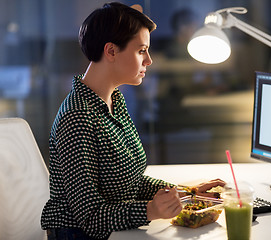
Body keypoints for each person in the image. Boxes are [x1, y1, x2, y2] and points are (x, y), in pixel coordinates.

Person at [41, 2, 225, 240]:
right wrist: (151, 210)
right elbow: (90, 217)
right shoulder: (77, 117)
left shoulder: (114, 100)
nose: (148, 60)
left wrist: (185, 193)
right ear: (111, 51)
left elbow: (131, 182)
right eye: (141, 51)